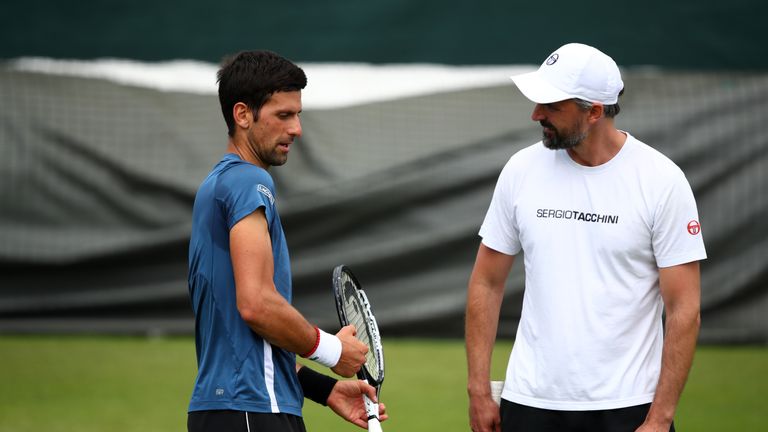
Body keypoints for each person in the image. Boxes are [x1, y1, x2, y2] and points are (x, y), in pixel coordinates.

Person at [465, 43, 706, 432]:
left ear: (594, 111)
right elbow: (486, 281)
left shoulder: (662, 181)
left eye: (552, 106)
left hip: (628, 410)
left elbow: (684, 309)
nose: (535, 114)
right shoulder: (520, 170)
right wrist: (478, 389)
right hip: (528, 404)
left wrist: (660, 419)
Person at [187, 50, 387, 432]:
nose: (296, 129)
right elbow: (257, 305)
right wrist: (333, 351)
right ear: (242, 115)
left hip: (231, 410)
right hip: (254, 413)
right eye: (283, 115)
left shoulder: (215, 187)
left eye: (297, 115)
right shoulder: (248, 182)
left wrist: (326, 389)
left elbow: (244, 343)